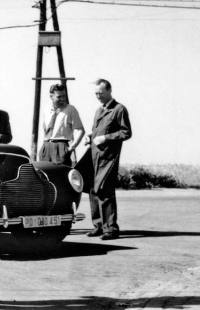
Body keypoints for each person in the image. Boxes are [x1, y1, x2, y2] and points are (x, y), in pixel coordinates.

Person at [84, 79, 132, 240]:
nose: (98, 96)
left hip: (108, 157)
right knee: (93, 190)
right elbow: (98, 132)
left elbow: (126, 132)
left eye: (101, 93)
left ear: (109, 91)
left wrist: (105, 138)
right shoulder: (99, 110)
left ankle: (111, 229)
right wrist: (90, 137)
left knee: (104, 189)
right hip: (94, 155)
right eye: (96, 93)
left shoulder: (119, 109)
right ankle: (98, 226)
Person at [38, 84, 85, 166]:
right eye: (59, 97)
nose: (62, 99)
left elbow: (81, 130)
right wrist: (42, 146)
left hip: (61, 147)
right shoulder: (46, 109)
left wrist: (71, 148)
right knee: (43, 174)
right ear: (51, 96)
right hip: (46, 146)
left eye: (64, 96)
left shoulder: (70, 109)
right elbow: (43, 129)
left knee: (59, 175)